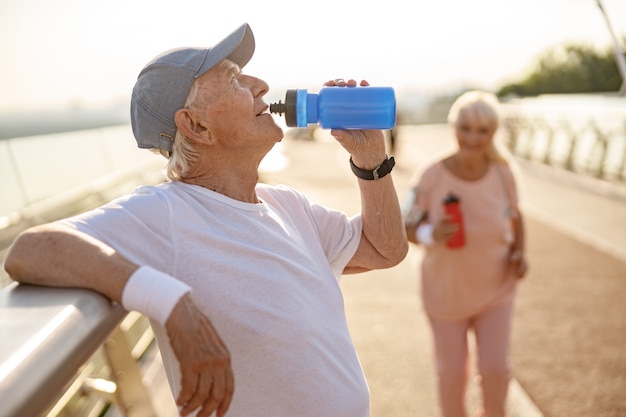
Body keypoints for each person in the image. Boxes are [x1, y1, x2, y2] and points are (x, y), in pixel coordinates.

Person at [4, 23, 408, 417]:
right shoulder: (165, 212)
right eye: (234, 79)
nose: (261, 84)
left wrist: (371, 160)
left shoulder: (288, 206)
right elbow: (32, 249)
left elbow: (383, 249)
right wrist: (170, 301)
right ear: (195, 126)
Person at [402, 90, 528, 417]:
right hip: (445, 294)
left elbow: (516, 216)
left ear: (494, 132)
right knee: (452, 374)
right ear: (453, 126)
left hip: (496, 289)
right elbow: (404, 226)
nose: (473, 137)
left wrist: (520, 253)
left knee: (496, 370)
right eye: (466, 127)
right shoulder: (431, 175)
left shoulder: (503, 173)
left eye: (483, 130)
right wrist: (431, 233)